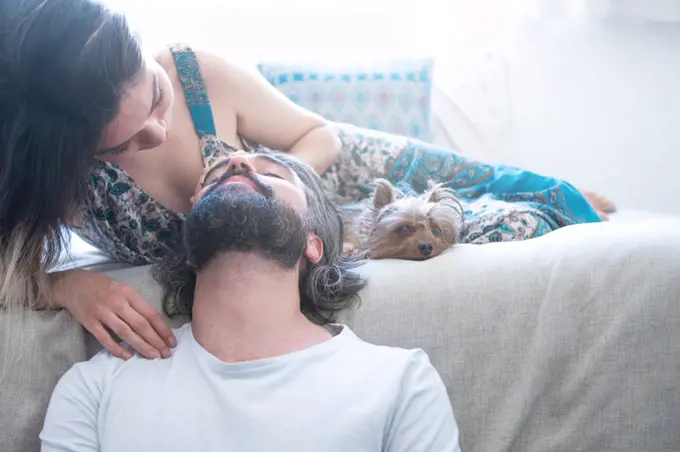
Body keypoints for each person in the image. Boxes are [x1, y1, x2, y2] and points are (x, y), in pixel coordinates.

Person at [0, 0, 608, 361]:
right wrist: (67, 287)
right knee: (499, 223)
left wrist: (267, 186)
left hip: (350, 171)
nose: (156, 133)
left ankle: (584, 198)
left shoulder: (192, 73)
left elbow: (321, 136)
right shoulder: (51, 177)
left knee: (536, 192)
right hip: (343, 224)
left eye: (155, 101)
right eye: (123, 145)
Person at [39, 150, 462, 452]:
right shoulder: (94, 387)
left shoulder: (401, 384)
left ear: (312, 244)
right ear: (188, 248)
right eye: (216, 175)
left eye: (272, 173)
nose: (237, 163)